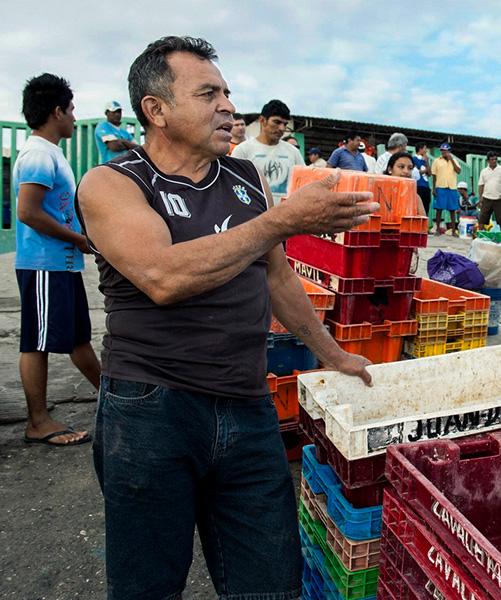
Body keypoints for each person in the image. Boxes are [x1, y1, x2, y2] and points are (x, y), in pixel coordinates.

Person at [76, 36, 379, 600]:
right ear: (156, 109)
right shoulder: (113, 183)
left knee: (268, 584)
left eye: (228, 93)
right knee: (148, 586)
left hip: (248, 405)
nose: (228, 108)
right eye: (208, 93)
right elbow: (163, 278)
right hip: (150, 410)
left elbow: (277, 278)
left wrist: (333, 353)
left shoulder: (244, 179)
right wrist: (282, 220)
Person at [13, 73, 102, 447]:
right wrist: (78, 239)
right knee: (38, 341)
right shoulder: (37, 154)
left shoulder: (50, 152)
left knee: (79, 337)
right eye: (71, 109)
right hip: (44, 264)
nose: (73, 116)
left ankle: (115, 398)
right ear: (57, 111)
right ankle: (38, 421)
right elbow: (27, 212)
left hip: (60, 265)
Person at [231, 99, 303, 200]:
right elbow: (234, 186)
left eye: (285, 124)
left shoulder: (293, 152)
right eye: (277, 122)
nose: (282, 128)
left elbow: (303, 185)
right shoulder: (243, 151)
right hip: (255, 214)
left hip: (286, 213)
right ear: (262, 121)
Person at [431, 142, 462, 236]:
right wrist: (434, 188)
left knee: (452, 210)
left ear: (450, 151)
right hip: (440, 187)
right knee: (439, 209)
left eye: (446, 150)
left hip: (451, 187)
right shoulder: (437, 161)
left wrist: (451, 159)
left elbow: (458, 171)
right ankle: (437, 230)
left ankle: (453, 231)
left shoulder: (454, 160)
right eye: (442, 150)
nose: (444, 152)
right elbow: (434, 176)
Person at [384, 151, 427, 217]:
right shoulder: (381, 193)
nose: (406, 171)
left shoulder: (415, 197)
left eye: (410, 168)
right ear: (390, 169)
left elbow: (423, 223)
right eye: (401, 167)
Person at [477, 151, 501, 232]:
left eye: (495, 159)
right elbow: (481, 185)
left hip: (500, 198)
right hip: (487, 198)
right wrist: (480, 198)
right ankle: (480, 236)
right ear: (487, 161)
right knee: (482, 219)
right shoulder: (484, 171)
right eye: (492, 159)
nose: (494, 161)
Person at [412, 142, 432, 216]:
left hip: (426, 186)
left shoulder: (424, 161)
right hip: (418, 185)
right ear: (420, 149)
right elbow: (415, 173)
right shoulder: (414, 159)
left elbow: (429, 173)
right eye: (425, 148)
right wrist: (425, 171)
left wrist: (427, 162)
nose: (426, 150)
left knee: (426, 206)